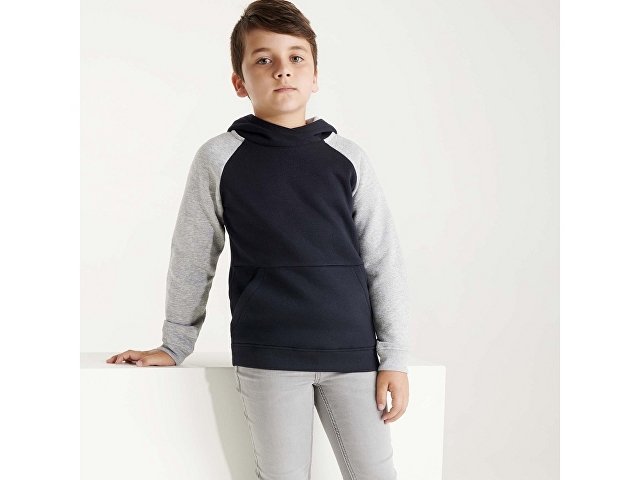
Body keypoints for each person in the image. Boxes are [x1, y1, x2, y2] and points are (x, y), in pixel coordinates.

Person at [106, 0, 410, 478]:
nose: (282, 70)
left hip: (352, 356)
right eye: (263, 59)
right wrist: (175, 343)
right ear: (239, 82)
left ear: (315, 76)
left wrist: (394, 358)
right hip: (269, 356)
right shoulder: (219, 158)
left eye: (296, 58)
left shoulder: (348, 158)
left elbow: (382, 258)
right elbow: (193, 253)